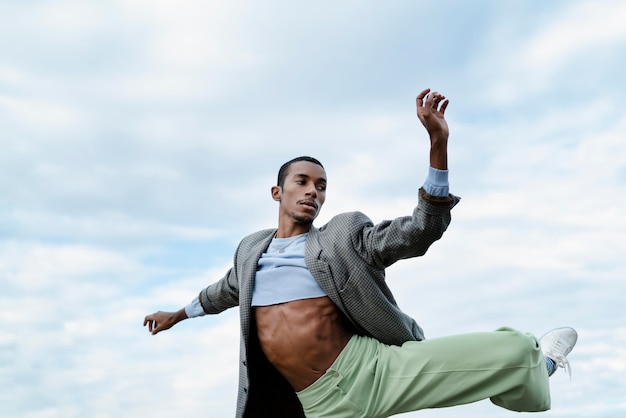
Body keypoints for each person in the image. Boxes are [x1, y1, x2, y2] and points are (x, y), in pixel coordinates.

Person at [143, 88, 578, 418]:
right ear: (277, 191)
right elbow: (221, 292)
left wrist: (437, 147)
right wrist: (176, 315)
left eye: (321, 185)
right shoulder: (250, 251)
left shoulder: (342, 236)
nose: (313, 190)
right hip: (313, 404)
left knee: (518, 350)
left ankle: (547, 366)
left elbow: (418, 232)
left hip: (373, 371)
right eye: (302, 182)